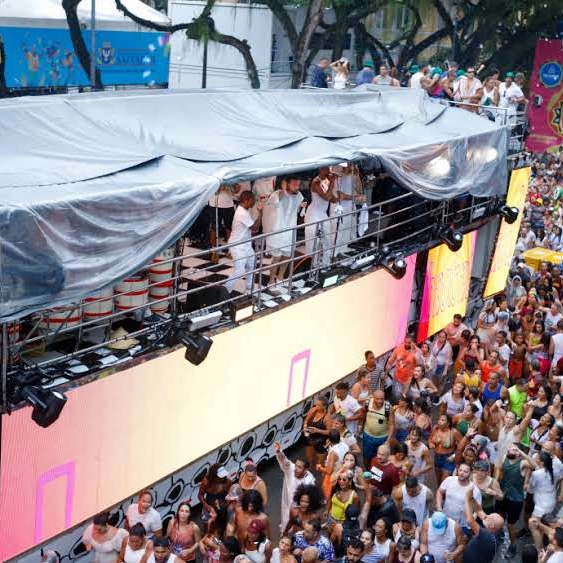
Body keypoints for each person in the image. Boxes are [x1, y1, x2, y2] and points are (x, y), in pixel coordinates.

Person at [262, 176, 305, 290]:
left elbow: (300, 203)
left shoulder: (298, 196)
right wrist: (284, 190)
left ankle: (280, 278)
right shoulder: (277, 194)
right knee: (276, 258)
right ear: (286, 184)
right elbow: (276, 201)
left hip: (290, 232)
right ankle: (271, 281)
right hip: (277, 232)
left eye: (298, 185)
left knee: (286, 257)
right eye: (295, 185)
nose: (297, 187)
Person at [496, 444, 536, 558]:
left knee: (511, 525)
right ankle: (500, 535)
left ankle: (513, 546)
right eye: (510, 448)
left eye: (514, 449)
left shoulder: (522, 463)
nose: (510, 450)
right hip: (503, 495)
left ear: (518, 453)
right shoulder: (505, 457)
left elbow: (534, 465)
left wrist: (522, 453)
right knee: (499, 517)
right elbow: (499, 469)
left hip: (515, 499)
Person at [274, 441, 316, 533]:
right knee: (286, 517)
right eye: (296, 466)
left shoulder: (309, 482)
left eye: (300, 467)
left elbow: (311, 500)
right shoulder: (291, 469)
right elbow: (285, 461)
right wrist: (279, 452)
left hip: (299, 508)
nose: (296, 469)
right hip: (288, 501)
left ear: (306, 470)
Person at [226, 191, 259, 294]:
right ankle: (225, 291)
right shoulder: (242, 213)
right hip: (237, 245)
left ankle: (249, 289)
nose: (254, 202)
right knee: (239, 271)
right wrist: (261, 214)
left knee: (251, 264)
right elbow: (255, 228)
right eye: (253, 200)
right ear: (247, 200)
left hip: (245, 244)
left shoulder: (244, 210)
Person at [436, 463, 482, 535]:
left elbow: (478, 509)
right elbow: (440, 491)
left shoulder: (474, 490)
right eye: (460, 470)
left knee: (460, 543)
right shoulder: (449, 480)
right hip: (445, 520)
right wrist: (439, 507)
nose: (461, 473)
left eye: (465, 471)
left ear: (470, 473)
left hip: (462, 525)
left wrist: (471, 521)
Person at [305, 168, 337, 268]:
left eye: (329, 169)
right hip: (313, 215)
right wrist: (332, 182)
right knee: (315, 242)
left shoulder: (327, 181)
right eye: (326, 169)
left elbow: (332, 200)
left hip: (323, 214)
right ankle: (314, 266)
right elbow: (326, 197)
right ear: (320, 169)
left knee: (327, 240)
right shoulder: (315, 182)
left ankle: (326, 264)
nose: (328, 171)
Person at [462, 488, 504, 563]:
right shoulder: (492, 529)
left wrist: (466, 499)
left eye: (488, 517)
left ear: (491, 525)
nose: (486, 516)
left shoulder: (487, 537)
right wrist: (472, 498)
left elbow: (470, 520)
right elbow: (479, 510)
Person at [362, 390, 394, 466]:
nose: (380, 401)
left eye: (382, 399)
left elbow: (392, 425)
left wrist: (388, 440)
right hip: (368, 435)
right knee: (367, 456)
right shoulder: (367, 403)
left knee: (381, 458)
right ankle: (367, 471)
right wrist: (360, 427)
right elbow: (363, 414)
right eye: (378, 399)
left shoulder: (388, 407)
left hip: (382, 437)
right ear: (373, 397)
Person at [428, 414, 461, 485]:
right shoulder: (435, 429)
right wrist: (431, 444)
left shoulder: (454, 432)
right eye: (439, 419)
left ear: (448, 423)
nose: (439, 421)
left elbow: (461, 446)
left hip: (448, 459)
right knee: (439, 481)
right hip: (437, 457)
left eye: (442, 420)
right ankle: (440, 495)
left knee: (445, 482)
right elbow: (430, 439)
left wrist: (454, 456)